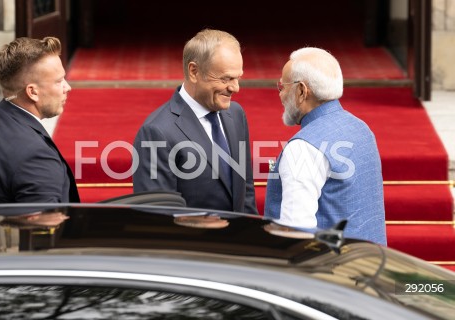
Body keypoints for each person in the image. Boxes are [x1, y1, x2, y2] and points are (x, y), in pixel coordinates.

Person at [264, 47, 386, 245]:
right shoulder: (361, 128)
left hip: (330, 271)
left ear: (302, 91)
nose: (281, 95)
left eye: (283, 86)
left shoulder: (302, 149)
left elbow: (295, 236)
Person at [132, 29, 257, 214]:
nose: (235, 88)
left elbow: (245, 191)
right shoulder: (157, 132)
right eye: (226, 79)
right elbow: (157, 216)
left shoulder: (236, 114)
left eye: (238, 78)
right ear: (194, 71)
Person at [0, 37, 79, 204]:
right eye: (59, 81)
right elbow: (42, 226)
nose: (67, 87)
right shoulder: (36, 158)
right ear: (33, 92)